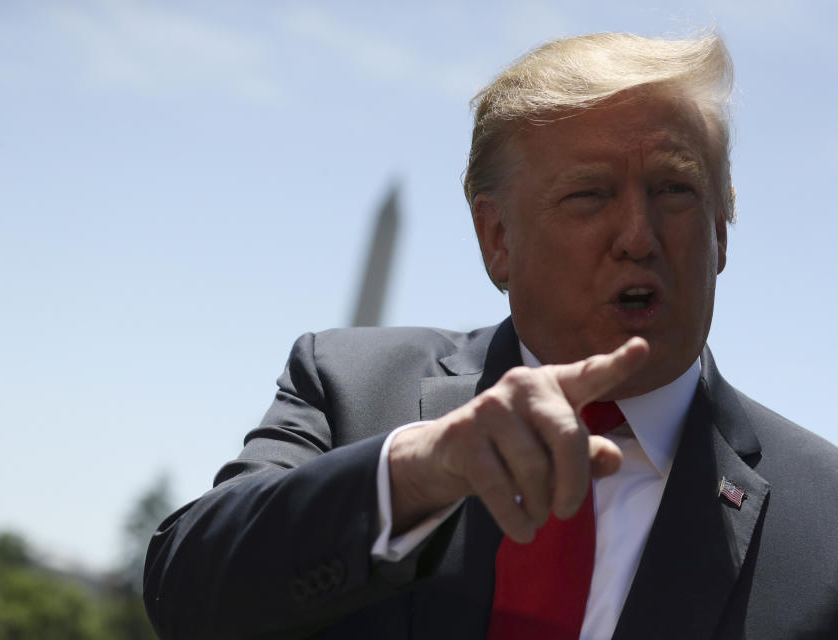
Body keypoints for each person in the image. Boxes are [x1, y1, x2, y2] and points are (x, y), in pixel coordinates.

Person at [143, 32, 838, 639]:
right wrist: (421, 471)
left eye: (675, 189)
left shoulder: (827, 518)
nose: (639, 235)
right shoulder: (350, 386)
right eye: (589, 194)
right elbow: (186, 592)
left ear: (721, 229)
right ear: (497, 239)